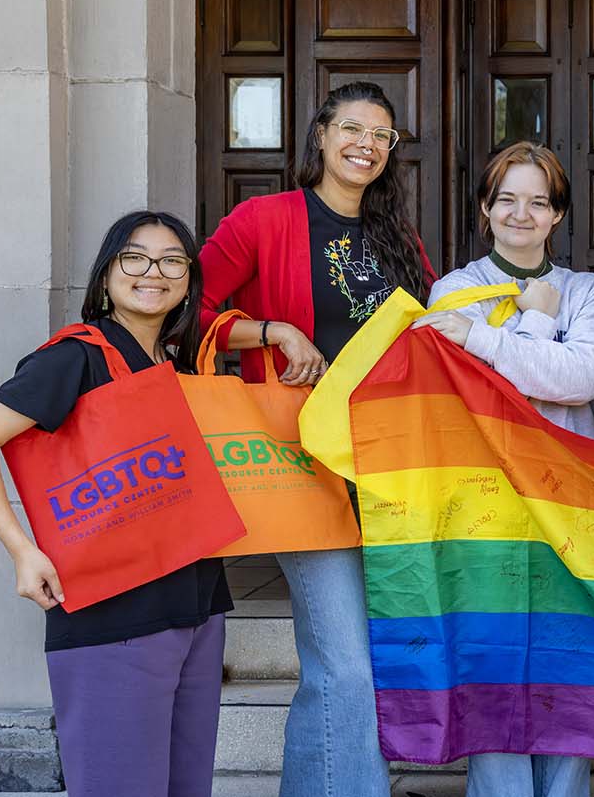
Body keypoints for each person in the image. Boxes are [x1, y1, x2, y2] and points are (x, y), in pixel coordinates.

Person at [198, 81, 436, 797]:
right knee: (345, 664)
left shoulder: (399, 240)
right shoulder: (263, 220)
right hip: (302, 464)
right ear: (322, 136)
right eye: (353, 128)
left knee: (356, 662)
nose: (366, 143)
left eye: (381, 135)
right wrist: (271, 330)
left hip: (390, 469)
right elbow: (187, 308)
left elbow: (425, 343)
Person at [0, 211, 229, 797]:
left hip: (198, 602)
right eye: (135, 257)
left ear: (188, 280)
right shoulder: (74, 358)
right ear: (106, 275)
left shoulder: (172, 364)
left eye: (172, 261)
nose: (153, 272)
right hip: (114, 613)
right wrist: (22, 552)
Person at [413, 141, 594, 797]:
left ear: (557, 215)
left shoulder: (588, 290)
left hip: (567, 507)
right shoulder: (453, 292)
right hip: (486, 506)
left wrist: (488, 339)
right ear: (484, 210)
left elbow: (582, 378)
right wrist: (532, 322)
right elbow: (481, 397)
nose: (521, 214)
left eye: (538, 202)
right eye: (506, 200)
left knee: (565, 669)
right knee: (496, 672)